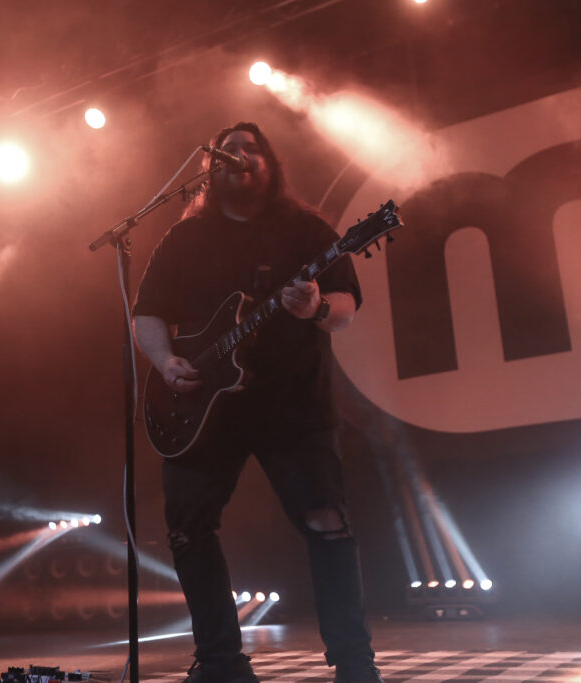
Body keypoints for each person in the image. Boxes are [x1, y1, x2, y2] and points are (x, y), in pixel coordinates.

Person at [132, 122, 383, 683]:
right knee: (187, 529)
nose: (240, 156)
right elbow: (146, 311)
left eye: (252, 149)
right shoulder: (184, 238)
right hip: (203, 409)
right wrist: (166, 361)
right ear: (209, 167)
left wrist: (315, 307)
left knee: (326, 523)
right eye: (228, 150)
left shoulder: (307, 230)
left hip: (292, 405)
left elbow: (345, 307)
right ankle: (220, 663)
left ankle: (354, 663)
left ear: (271, 163)